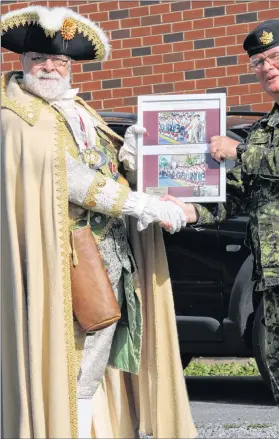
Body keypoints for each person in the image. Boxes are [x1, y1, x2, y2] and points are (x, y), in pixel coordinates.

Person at [1, 6, 197, 439]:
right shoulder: (18, 118)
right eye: (39, 59)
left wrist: (130, 155)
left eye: (59, 62)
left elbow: (101, 166)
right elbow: (70, 180)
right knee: (73, 367)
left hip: (108, 259)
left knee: (98, 363)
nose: (49, 67)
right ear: (22, 62)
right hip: (65, 265)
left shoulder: (76, 110)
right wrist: (142, 204)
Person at [164, 20, 279, 439]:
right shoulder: (263, 131)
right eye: (258, 62)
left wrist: (239, 151)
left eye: (275, 57)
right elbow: (234, 197)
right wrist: (187, 210)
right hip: (275, 286)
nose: (267, 68)